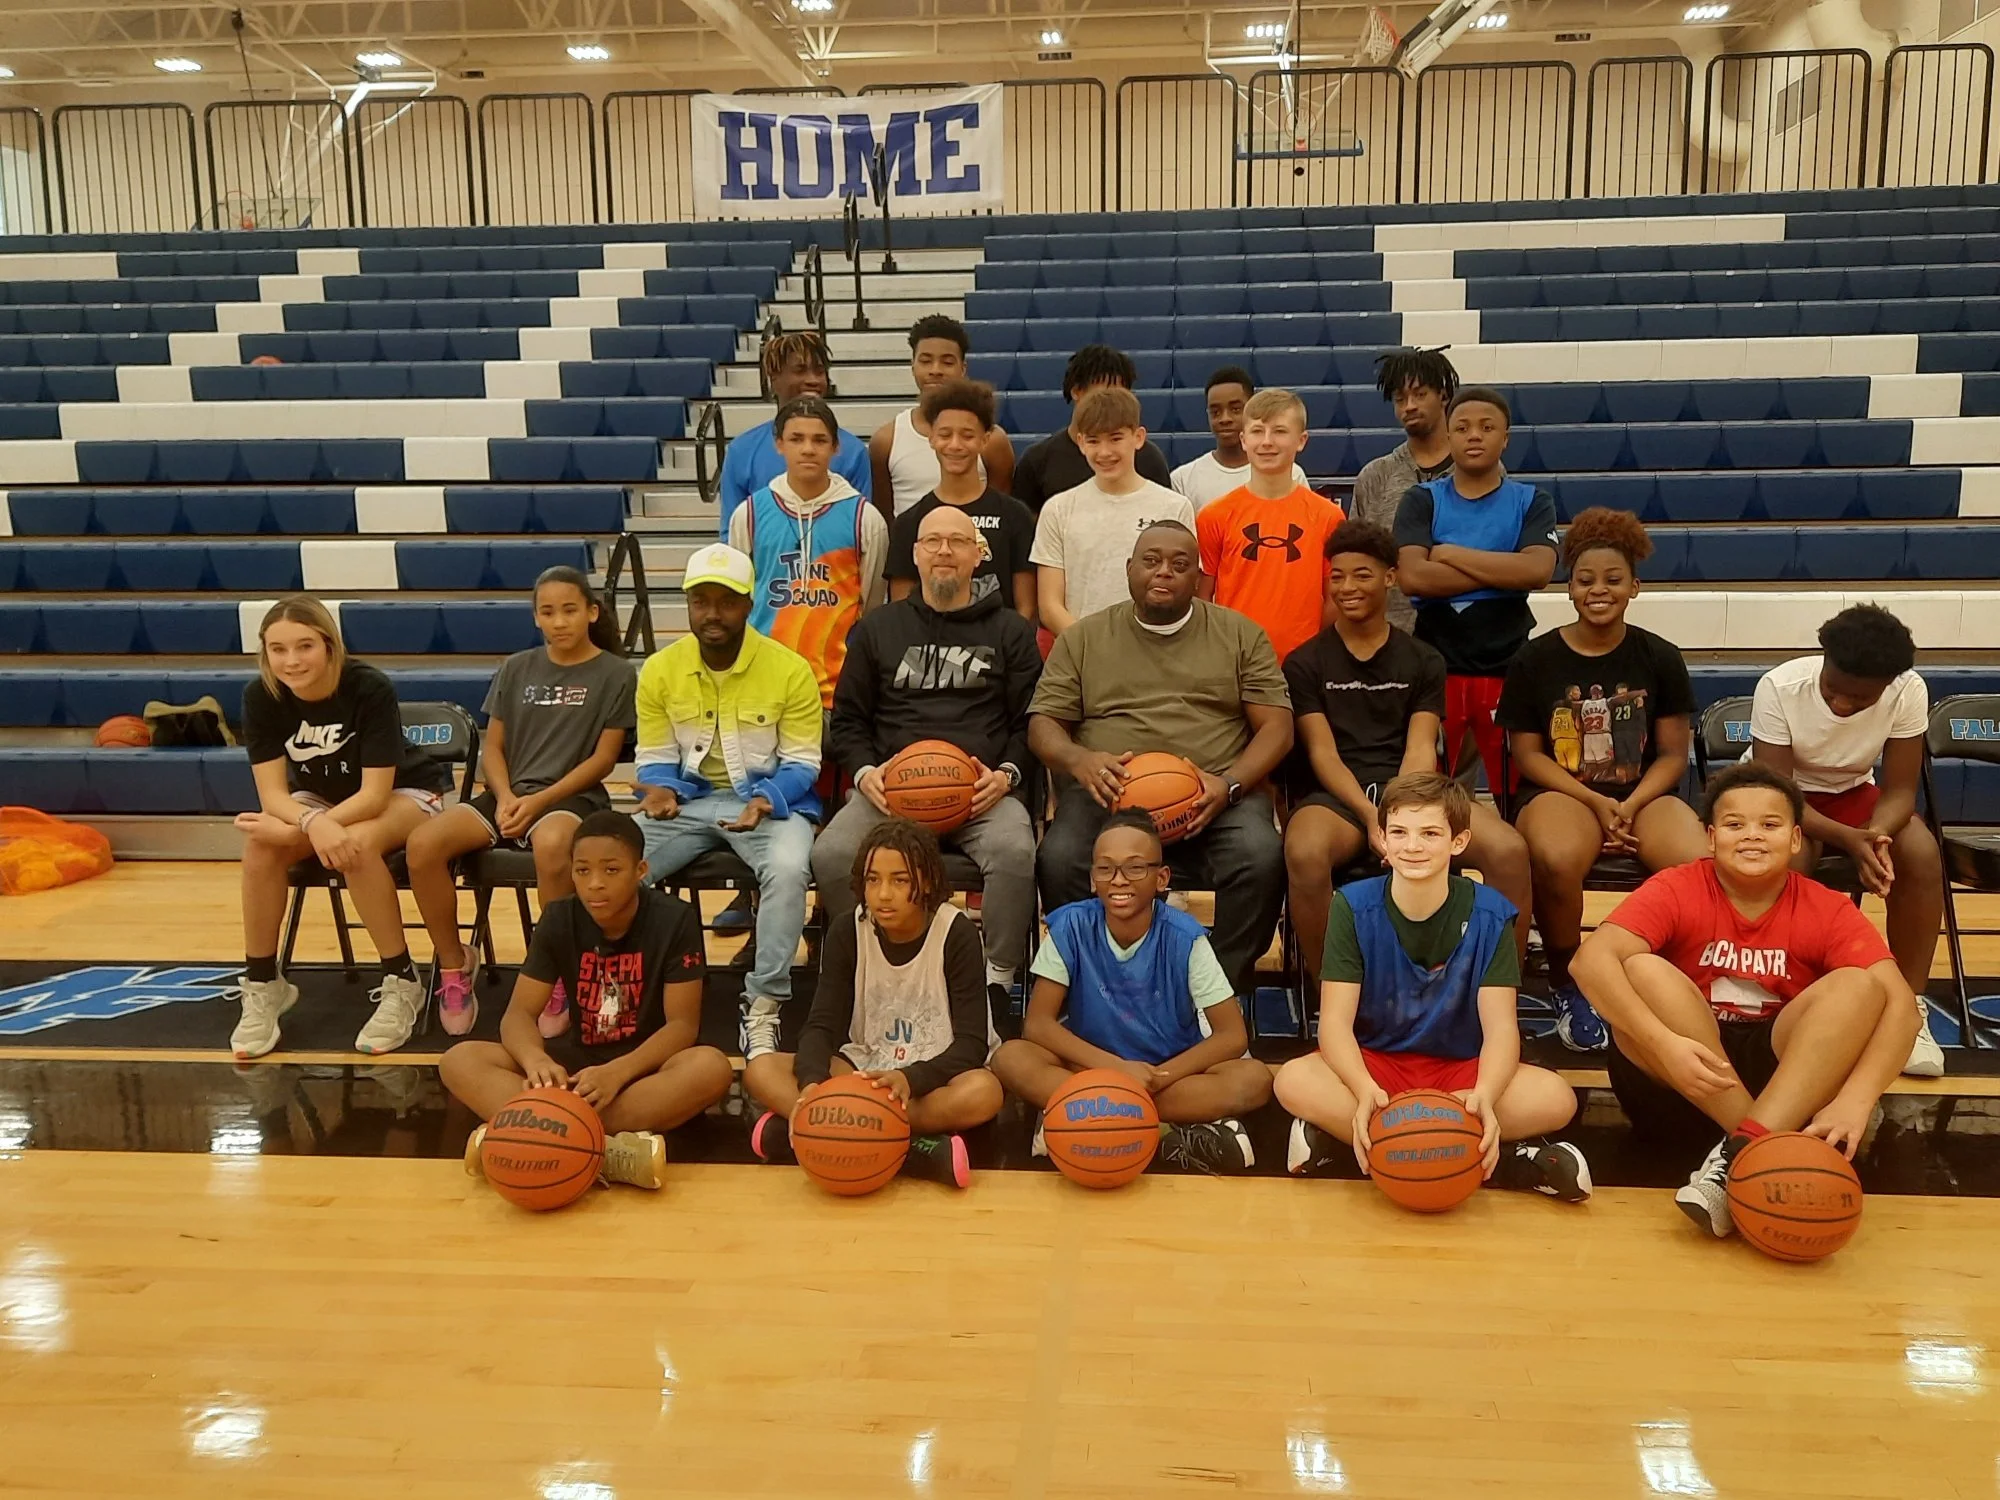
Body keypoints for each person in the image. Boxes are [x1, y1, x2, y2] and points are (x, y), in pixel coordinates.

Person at [1570, 762, 1922, 1236]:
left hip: (1781, 1088)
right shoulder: (1676, 886)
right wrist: (1663, 1044)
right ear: (1711, 838)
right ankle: (1760, 1147)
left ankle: (1736, 1153)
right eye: (1735, 824)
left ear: (1795, 839)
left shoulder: (1827, 906)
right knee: (1640, 969)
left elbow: (1903, 1009)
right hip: (1681, 1080)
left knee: (1861, 986)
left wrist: (1856, 1101)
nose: (1752, 835)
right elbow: (1588, 962)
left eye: (1769, 824)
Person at [1273, 773, 1591, 1202]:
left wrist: (1485, 1094)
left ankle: (1363, 1142)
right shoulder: (1352, 906)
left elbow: (1501, 1028)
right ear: (1381, 839)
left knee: (1556, 1098)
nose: (1413, 846)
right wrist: (1364, 1088)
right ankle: (1498, 1157)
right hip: (1378, 1066)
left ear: (1458, 842)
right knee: (1292, 1080)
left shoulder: (1491, 913)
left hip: (1459, 1069)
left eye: (1430, 833)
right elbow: (1333, 1022)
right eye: (1399, 833)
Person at [1028, 521, 1293, 1000]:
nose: (1164, 572)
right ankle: (1098, 988)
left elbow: (1278, 727)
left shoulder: (1240, 634)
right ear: (1129, 569)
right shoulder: (1084, 637)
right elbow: (1043, 725)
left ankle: (1213, 993)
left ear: (1198, 577)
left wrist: (1231, 784)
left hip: (1214, 799)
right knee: (1060, 857)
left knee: (1261, 857)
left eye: (1179, 564)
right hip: (1110, 797)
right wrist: (1080, 760)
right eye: (1151, 561)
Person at [1282, 521, 1533, 982]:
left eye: (1362, 574)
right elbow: (1322, 753)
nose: (1347, 587)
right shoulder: (1304, 662)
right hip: (1338, 801)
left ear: (1390, 578)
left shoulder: (1423, 659)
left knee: (1508, 850)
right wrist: (1371, 816)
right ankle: (1329, 991)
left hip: (1415, 791)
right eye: (1337, 576)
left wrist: (1400, 817)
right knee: (1304, 851)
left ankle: (1496, 989)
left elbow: (1421, 745)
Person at [1497, 507, 1708, 1054]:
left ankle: (1665, 976)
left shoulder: (1659, 656)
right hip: (1561, 790)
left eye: (1613, 580)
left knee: (1697, 861)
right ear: (1569, 589)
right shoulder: (1535, 658)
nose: (1598, 590)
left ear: (1634, 587)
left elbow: (1672, 755)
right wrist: (1594, 800)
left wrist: (1630, 804)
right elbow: (1526, 754)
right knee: (1557, 857)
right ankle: (1571, 979)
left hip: (1644, 794)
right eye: (1585, 580)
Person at [821, 505, 1043, 1011]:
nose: (945, 551)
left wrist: (1006, 775)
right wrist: (865, 772)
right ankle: (872, 967)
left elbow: (1031, 721)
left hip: (979, 794)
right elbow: (848, 722)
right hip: (892, 795)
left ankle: (996, 982)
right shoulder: (878, 629)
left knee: (1015, 852)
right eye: (933, 542)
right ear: (915, 555)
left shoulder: (1011, 631)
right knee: (831, 855)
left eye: (958, 542)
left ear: (978, 555)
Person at [441, 811, 734, 1192]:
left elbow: (682, 1026)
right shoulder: (559, 917)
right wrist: (536, 1060)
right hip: (576, 1070)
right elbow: (519, 1014)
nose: (595, 883)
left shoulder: (674, 919)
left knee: (711, 1067)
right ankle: (605, 1153)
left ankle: (535, 1138)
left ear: (640, 870)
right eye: (582, 871)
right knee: (459, 1060)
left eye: (611, 870)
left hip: (643, 1069)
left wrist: (618, 1072)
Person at [406, 567, 636, 1038]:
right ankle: (454, 966)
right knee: (423, 844)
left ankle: (553, 974)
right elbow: (493, 748)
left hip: (572, 797)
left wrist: (539, 802)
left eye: (569, 610)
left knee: (552, 845)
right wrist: (508, 797)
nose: (559, 621)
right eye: (547, 612)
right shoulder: (516, 667)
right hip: (507, 796)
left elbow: (604, 759)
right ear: (535, 618)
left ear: (592, 612)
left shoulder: (616, 673)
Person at [991, 811, 1275, 1175]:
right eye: (1105, 869)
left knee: (1254, 1080)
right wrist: (1117, 1071)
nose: (1118, 880)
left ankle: (1084, 1120)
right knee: (1010, 1058)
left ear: (1162, 878)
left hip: (1166, 1074)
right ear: (1092, 879)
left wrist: (1158, 1076)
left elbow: (1232, 1036)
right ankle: (1162, 1133)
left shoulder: (1186, 937)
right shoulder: (1069, 926)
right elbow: (1038, 1026)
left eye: (1135, 868)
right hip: (1093, 1066)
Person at [232, 595, 450, 1059]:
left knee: (354, 846)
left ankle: (402, 980)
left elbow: (374, 796)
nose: (292, 661)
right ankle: (264, 982)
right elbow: (272, 796)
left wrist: (304, 830)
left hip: (406, 792)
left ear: (329, 645)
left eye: (305, 646)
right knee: (260, 847)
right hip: (321, 802)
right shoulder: (261, 696)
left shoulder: (368, 687)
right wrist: (311, 822)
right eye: (278, 649)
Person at [632, 543, 821, 1061]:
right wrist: (660, 788)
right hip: (688, 804)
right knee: (616, 862)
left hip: (769, 804)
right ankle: (634, 986)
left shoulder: (789, 669)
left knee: (788, 869)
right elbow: (654, 756)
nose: (712, 614)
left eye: (726, 602)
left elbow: (803, 761)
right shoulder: (659, 669)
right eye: (701, 601)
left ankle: (764, 1002)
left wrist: (765, 800)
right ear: (688, 604)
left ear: (748, 603)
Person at [744, 819, 1003, 1189]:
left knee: (984, 1092)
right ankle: (913, 1149)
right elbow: (820, 1026)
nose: (883, 894)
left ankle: (818, 1129)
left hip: (931, 1077)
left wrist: (910, 1078)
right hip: (864, 1069)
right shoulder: (848, 930)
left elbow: (971, 1044)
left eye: (900, 881)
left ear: (927, 882)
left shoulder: (956, 931)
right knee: (761, 1068)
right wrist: (812, 1084)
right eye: (873, 880)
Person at [1750, 603, 1944, 1076]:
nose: (1841, 704)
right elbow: (1779, 792)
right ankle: (1784, 1002)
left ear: (1887, 684)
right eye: (1832, 690)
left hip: (1854, 794)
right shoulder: (1779, 686)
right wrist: (1849, 839)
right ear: (1824, 660)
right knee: (1788, 860)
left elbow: (1900, 791)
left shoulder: (1908, 690)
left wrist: (1875, 837)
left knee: (1920, 853)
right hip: (1782, 795)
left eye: (1859, 699)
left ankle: (1908, 1010)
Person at [1393, 386, 1558, 798]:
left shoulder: (1531, 501)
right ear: (1448, 436)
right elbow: (1413, 577)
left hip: (1507, 664)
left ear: (1506, 438)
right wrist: (1504, 569)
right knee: (1428, 793)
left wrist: (1448, 553)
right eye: (1463, 427)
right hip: (1436, 664)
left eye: (1487, 427)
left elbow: (1537, 571)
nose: (1474, 436)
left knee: (1518, 792)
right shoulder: (1422, 500)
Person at [727, 394, 888, 709]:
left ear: (836, 447)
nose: (808, 449)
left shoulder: (864, 518)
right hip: (763, 685)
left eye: (819, 440)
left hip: (838, 686)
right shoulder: (749, 514)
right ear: (779, 444)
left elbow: (870, 604)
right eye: (796, 439)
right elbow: (738, 595)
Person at [1030, 385, 1195, 637]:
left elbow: (1184, 591)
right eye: (1094, 441)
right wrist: (1092, 646)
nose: (1104, 452)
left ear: (1138, 437)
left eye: (1115, 438)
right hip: (1083, 650)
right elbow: (1050, 605)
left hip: (1155, 648)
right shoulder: (1058, 509)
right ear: (1081, 443)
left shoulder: (1174, 507)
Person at [1194, 386, 1341, 663]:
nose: (1267, 442)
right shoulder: (1213, 516)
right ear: (1243, 439)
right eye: (1257, 431)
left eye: (1280, 431)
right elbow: (1203, 598)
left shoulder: (1328, 517)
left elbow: (1333, 597)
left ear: (1301, 440)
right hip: (1235, 661)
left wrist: (1312, 652)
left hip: (1305, 664)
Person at [884, 378, 1037, 621]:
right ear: (931, 438)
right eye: (945, 435)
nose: (955, 445)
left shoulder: (1015, 516)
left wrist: (1007, 643)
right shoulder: (909, 523)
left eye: (967, 436)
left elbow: (1026, 610)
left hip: (999, 643)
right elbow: (901, 614)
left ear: (985, 440)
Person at [717, 331, 872, 537]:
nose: (813, 380)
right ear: (774, 379)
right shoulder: (742, 450)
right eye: (800, 370)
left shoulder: (853, 451)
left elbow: (862, 529)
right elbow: (731, 533)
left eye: (819, 371)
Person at [1349, 347, 1459, 632]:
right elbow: (1356, 561)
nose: (1409, 406)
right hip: (1393, 636)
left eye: (1420, 394)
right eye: (1400, 399)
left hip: (1466, 637)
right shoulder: (1374, 476)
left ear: (1443, 395)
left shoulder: (1479, 470)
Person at [868, 314, 1016, 518]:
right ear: (913, 365)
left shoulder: (993, 441)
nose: (935, 370)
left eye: (947, 362)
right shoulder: (886, 441)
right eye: (926, 361)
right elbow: (884, 519)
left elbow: (1001, 516)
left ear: (963, 368)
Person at [1009, 344, 1174, 512]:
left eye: (1119, 394)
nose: (1110, 402)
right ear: (1076, 392)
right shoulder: (1037, 460)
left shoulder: (1149, 459)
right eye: (1103, 393)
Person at [1170, 365, 1307, 507]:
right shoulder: (1183, 479)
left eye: (1235, 409)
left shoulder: (1291, 473)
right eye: (1215, 412)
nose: (1225, 419)